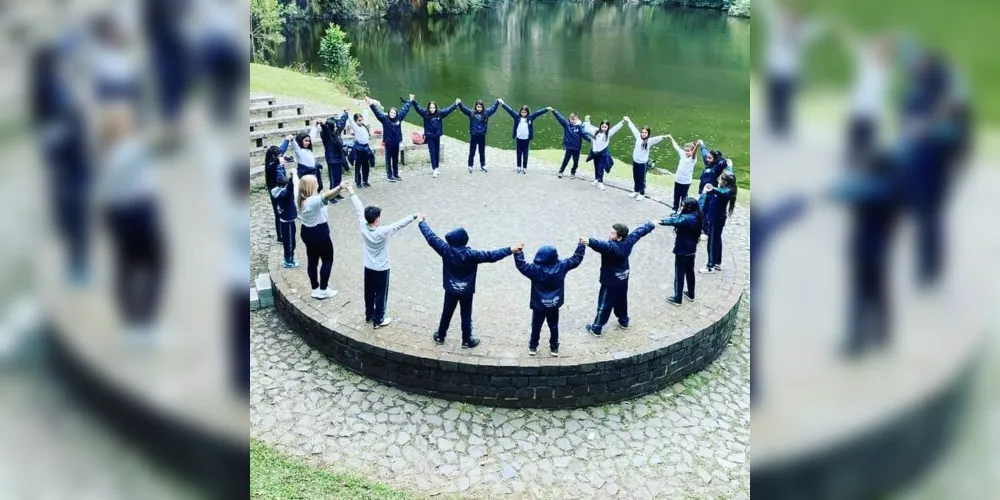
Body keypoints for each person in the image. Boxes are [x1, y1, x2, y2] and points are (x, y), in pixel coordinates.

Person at [418, 216, 516, 349]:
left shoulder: (445, 250)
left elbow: (430, 237)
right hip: (466, 291)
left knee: (446, 312)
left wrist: (421, 221)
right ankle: (466, 340)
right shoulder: (471, 254)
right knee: (466, 315)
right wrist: (510, 249)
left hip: (450, 289)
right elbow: (491, 255)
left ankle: (440, 336)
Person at [347, 186, 420, 328]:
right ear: (376, 219)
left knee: (369, 292)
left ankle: (369, 315)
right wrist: (413, 216)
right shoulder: (381, 232)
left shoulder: (363, 225)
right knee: (381, 294)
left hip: (368, 266)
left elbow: (358, 208)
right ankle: (379, 319)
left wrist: (351, 191)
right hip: (381, 268)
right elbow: (398, 225)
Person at [512, 239, 586, 357]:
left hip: (539, 304)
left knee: (536, 326)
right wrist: (581, 245)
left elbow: (521, 265)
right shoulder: (562, 266)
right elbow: (576, 259)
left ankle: (533, 346)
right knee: (554, 326)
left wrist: (518, 252)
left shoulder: (535, 270)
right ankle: (554, 348)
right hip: (554, 304)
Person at [584, 221, 656, 336]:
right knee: (621, 301)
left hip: (610, 280)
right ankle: (624, 321)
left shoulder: (611, 247)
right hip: (623, 277)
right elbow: (638, 232)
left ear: (619, 237)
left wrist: (589, 241)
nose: (609, 235)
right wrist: (651, 225)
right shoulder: (628, 241)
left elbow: (600, 245)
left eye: (612, 234)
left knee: (604, 304)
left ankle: (597, 327)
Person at [297, 176, 348, 299]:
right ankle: (323, 289)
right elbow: (327, 196)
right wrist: (340, 187)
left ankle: (315, 288)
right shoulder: (313, 201)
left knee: (312, 260)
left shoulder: (298, 197)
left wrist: (293, 173)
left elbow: (295, 183)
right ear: (310, 186)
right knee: (327, 260)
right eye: (315, 182)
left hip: (306, 232)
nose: (317, 184)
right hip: (319, 232)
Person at [659, 198, 703, 306]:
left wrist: (661, 221)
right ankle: (691, 294)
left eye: (682, 205)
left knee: (679, 274)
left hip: (682, 251)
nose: (681, 207)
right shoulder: (697, 216)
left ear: (688, 207)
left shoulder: (686, 219)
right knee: (690, 272)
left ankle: (677, 297)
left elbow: (674, 221)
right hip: (691, 250)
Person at [410, 97, 458, 177]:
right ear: (428, 108)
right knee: (432, 152)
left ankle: (437, 167)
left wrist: (455, 104)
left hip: (437, 136)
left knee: (437, 152)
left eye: (433, 108)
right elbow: (418, 108)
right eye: (430, 108)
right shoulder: (425, 114)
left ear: (436, 108)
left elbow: (448, 110)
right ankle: (434, 169)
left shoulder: (440, 113)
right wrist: (414, 101)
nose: (432, 109)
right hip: (429, 136)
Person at [700, 172, 738, 273]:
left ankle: (710, 266)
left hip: (716, 219)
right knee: (716, 239)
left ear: (724, 182)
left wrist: (712, 188)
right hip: (714, 218)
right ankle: (717, 262)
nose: (718, 180)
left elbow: (722, 193)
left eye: (720, 179)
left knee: (712, 242)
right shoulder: (722, 189)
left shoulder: (727, 192)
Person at [368, 95, 412, 182]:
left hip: (396, 142)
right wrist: (371, 104)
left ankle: (395, 174)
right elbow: (377, 112)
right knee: (388, 159)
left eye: (394, 113)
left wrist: (410, 101)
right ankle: (389, 175)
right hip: (388, 143)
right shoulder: (384, 119)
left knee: (395, 159)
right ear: (389, 113)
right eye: (391, 113)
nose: (392, 114)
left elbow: (405, 109)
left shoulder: (398, 118)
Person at [499, 100, 550, 174]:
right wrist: (503, 104)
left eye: (525, 112)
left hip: (526, 139)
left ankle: (525, 167)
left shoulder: (530, 118)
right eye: (522, 112)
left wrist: (546, 109)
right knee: (518, 153)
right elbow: (510, 110)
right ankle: (518, 166)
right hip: (519, 138)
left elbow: (538, 113)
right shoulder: (516, 117)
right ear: (520, 112)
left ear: (527, 112)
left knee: (525, 154)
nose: (523, 114)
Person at [624, 116, 667, 201]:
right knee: (635, 177)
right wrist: (629, 120)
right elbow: (633, 128)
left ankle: (642, 193)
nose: (643, 134)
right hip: (635, 161)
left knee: (642, 178)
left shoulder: (649, 141)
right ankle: (636, 191)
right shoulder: (638, 137)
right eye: (642, 132)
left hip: (642, 163)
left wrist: (665, 136)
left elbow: (657, 139)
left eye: (645, 133)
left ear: (648, 134)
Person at [457, 97, 501, 173]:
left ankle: (483, 165)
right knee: (472, 151)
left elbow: (493, 109)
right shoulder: (471, 113)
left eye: (480, 107)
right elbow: (464, 109)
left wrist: (497, 102)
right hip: (474, 136)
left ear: (482, 107)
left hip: (482, 136)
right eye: (478, 107)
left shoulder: (486, 113)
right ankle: (470, 165)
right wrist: (460, 103)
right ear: (475, 107)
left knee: (482, 151)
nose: (479, 108)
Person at [583, 117, 625, 191]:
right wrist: (586, 121)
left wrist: (622, 122)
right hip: (595, 153)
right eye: (603, 126)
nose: (604, 128)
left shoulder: (608, 134)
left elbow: (616, 128)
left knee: (601, 168)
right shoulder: (596, 132)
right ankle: (596, 179)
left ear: (608, 127)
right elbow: (588, 127)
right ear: (600, 126)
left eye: (605, 127)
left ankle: (600, 182)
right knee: (596, 166)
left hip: (603, 153)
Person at [317, 111, 349, 199]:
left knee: (339, 177)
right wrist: (323, 124)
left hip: (339, 158)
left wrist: (345, 114)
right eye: (334, 126)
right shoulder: (326, 135)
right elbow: (326, 130)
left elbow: (341, 123)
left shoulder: (336, 132)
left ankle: (337, 193)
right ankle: (331, 196)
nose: (336, 127)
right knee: (333, 178)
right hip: (332, 159)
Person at [270, 168, 298, 268]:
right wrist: (293, 176)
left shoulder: (276, 192)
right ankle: (288, 260)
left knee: (290, 240)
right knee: (290, 242)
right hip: (288, 220)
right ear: (284, 186)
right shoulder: (284, 194)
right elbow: (290, 189)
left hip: (286, 219)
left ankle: (289, 257)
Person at [552, 108, 593, 178]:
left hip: (577, 148)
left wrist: (591, 140)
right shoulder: (567, 125)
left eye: (573, 118)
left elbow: (585, 135)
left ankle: (573, 172)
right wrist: (554, 111)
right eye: (571, 118)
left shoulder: (580, 127)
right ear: (569, 118)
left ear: (577, 118)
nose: (572, 119)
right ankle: (561, 171)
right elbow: (560, 118)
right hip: (569, 147)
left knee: (575, 162)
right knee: (565, 160)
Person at [666, 135, 697, 213]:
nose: (686, 152)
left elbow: (695, 152)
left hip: (686, 182)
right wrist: (671, 137)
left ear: (692, 151)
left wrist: (698, 145)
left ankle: (683, 210)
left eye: (688, 151)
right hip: (678, 179)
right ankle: (675, 208)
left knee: (684, 197)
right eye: (685, 150)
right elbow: (676, 146)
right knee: (676, 195)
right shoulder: (683, 154)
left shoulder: (693, 159)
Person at [263, 146, 287, 240]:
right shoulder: (269, 164)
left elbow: (283, 148)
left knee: (284, 209)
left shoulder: (277, 161)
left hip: (282, 187)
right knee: (277, 212)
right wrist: (278, 161)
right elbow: (270, 168)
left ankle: (284, 230)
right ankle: (280, 235)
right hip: (274, 189)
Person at [347, 107, 375, 188]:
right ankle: (358, 182)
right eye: (359, 120)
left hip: (366, 148)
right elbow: (351, 121)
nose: (361, 121)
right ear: (356, 121)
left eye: (361, 120)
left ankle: (365, 181)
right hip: (359, 148)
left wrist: (366, 108)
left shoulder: (364, 126)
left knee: (366, 165)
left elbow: (365, 117)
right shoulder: (356, 127)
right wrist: (348, 113)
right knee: (358, 166)